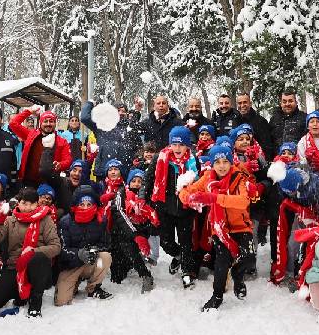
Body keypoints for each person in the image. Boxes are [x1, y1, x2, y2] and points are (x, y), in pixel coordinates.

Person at [179, 147, 256, 311]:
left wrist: (214, 198)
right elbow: (185, 192)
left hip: (241, 226)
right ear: (212, 164)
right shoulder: (207, 177)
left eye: (225, 161)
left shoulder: (239, 177)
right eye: (217, 162)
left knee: (249, 258)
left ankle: (238, 276)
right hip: (219, 228)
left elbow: (243, 201)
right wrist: (189, 197)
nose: (222, 166)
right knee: (221, 262)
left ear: (231, 162)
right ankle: (217, 296)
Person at [0, 187, 60, 318]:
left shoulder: (45, 220)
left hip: (38, 270)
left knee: (38, 258)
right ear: (18, 203)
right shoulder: (10, 220)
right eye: (24, 203)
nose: (28, 208)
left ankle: (35, 300)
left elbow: (55, 246)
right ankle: (19, 292)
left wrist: (31, 252)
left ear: (37, 203)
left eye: (32, 204)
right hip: (14, 267)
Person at [149, 126, 200, 286]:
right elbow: (148, 179)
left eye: (181, 144)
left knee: (186, 242)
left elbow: (199, 183)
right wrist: (144, 199)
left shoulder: (193, 161)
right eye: (174, 144)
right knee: (166, 242)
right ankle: (179, 256)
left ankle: (187, 272)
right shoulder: (160, 158)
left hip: (186, 209)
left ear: (187, 145)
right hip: (165, 208)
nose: (177, 148)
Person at [55, 188, 115, 305]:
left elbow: (106, 244)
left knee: (104, 257)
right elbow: (61, 250)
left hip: (90, 263)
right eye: (82, 204)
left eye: (89, 204)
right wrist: (79, 254)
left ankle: (94, 288)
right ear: (76, 205)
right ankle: (74, 282)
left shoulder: (100, 220)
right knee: (61, 301)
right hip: (70, 266)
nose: (85, 207)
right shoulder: (65, 222)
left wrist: (94, 250)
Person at [104, 168, 158, 292]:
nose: (137, 184)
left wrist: (143, 232)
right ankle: (130, 262)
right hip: (122, 231)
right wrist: (135, 234)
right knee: (117, 276)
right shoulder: (122, 193)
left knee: (128, 246)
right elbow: (119, 214)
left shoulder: (148, 196)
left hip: (140, 231)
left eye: (140, 181)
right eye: (134, 181)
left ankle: (145, 274)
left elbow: (152, 216)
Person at [11, 106, 72, 187]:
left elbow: (68, 160)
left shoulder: (62, 142)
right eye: (45, 121)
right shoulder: (31, 135)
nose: (48, 124)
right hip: (29, 182)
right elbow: (13, 124)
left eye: (51, 121)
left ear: (55, 123)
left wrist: (60, 165)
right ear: (40, 123)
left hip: (49, 183)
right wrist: (29, 111)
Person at [81, 99, 139, 180]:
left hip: (124, 173)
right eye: (117, 110)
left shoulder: (130, 129)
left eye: (123, 111)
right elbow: (84, 118)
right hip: (103, 172)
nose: (120, 113)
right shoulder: (102, 125)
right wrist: (90, 103)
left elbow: (138, 147)